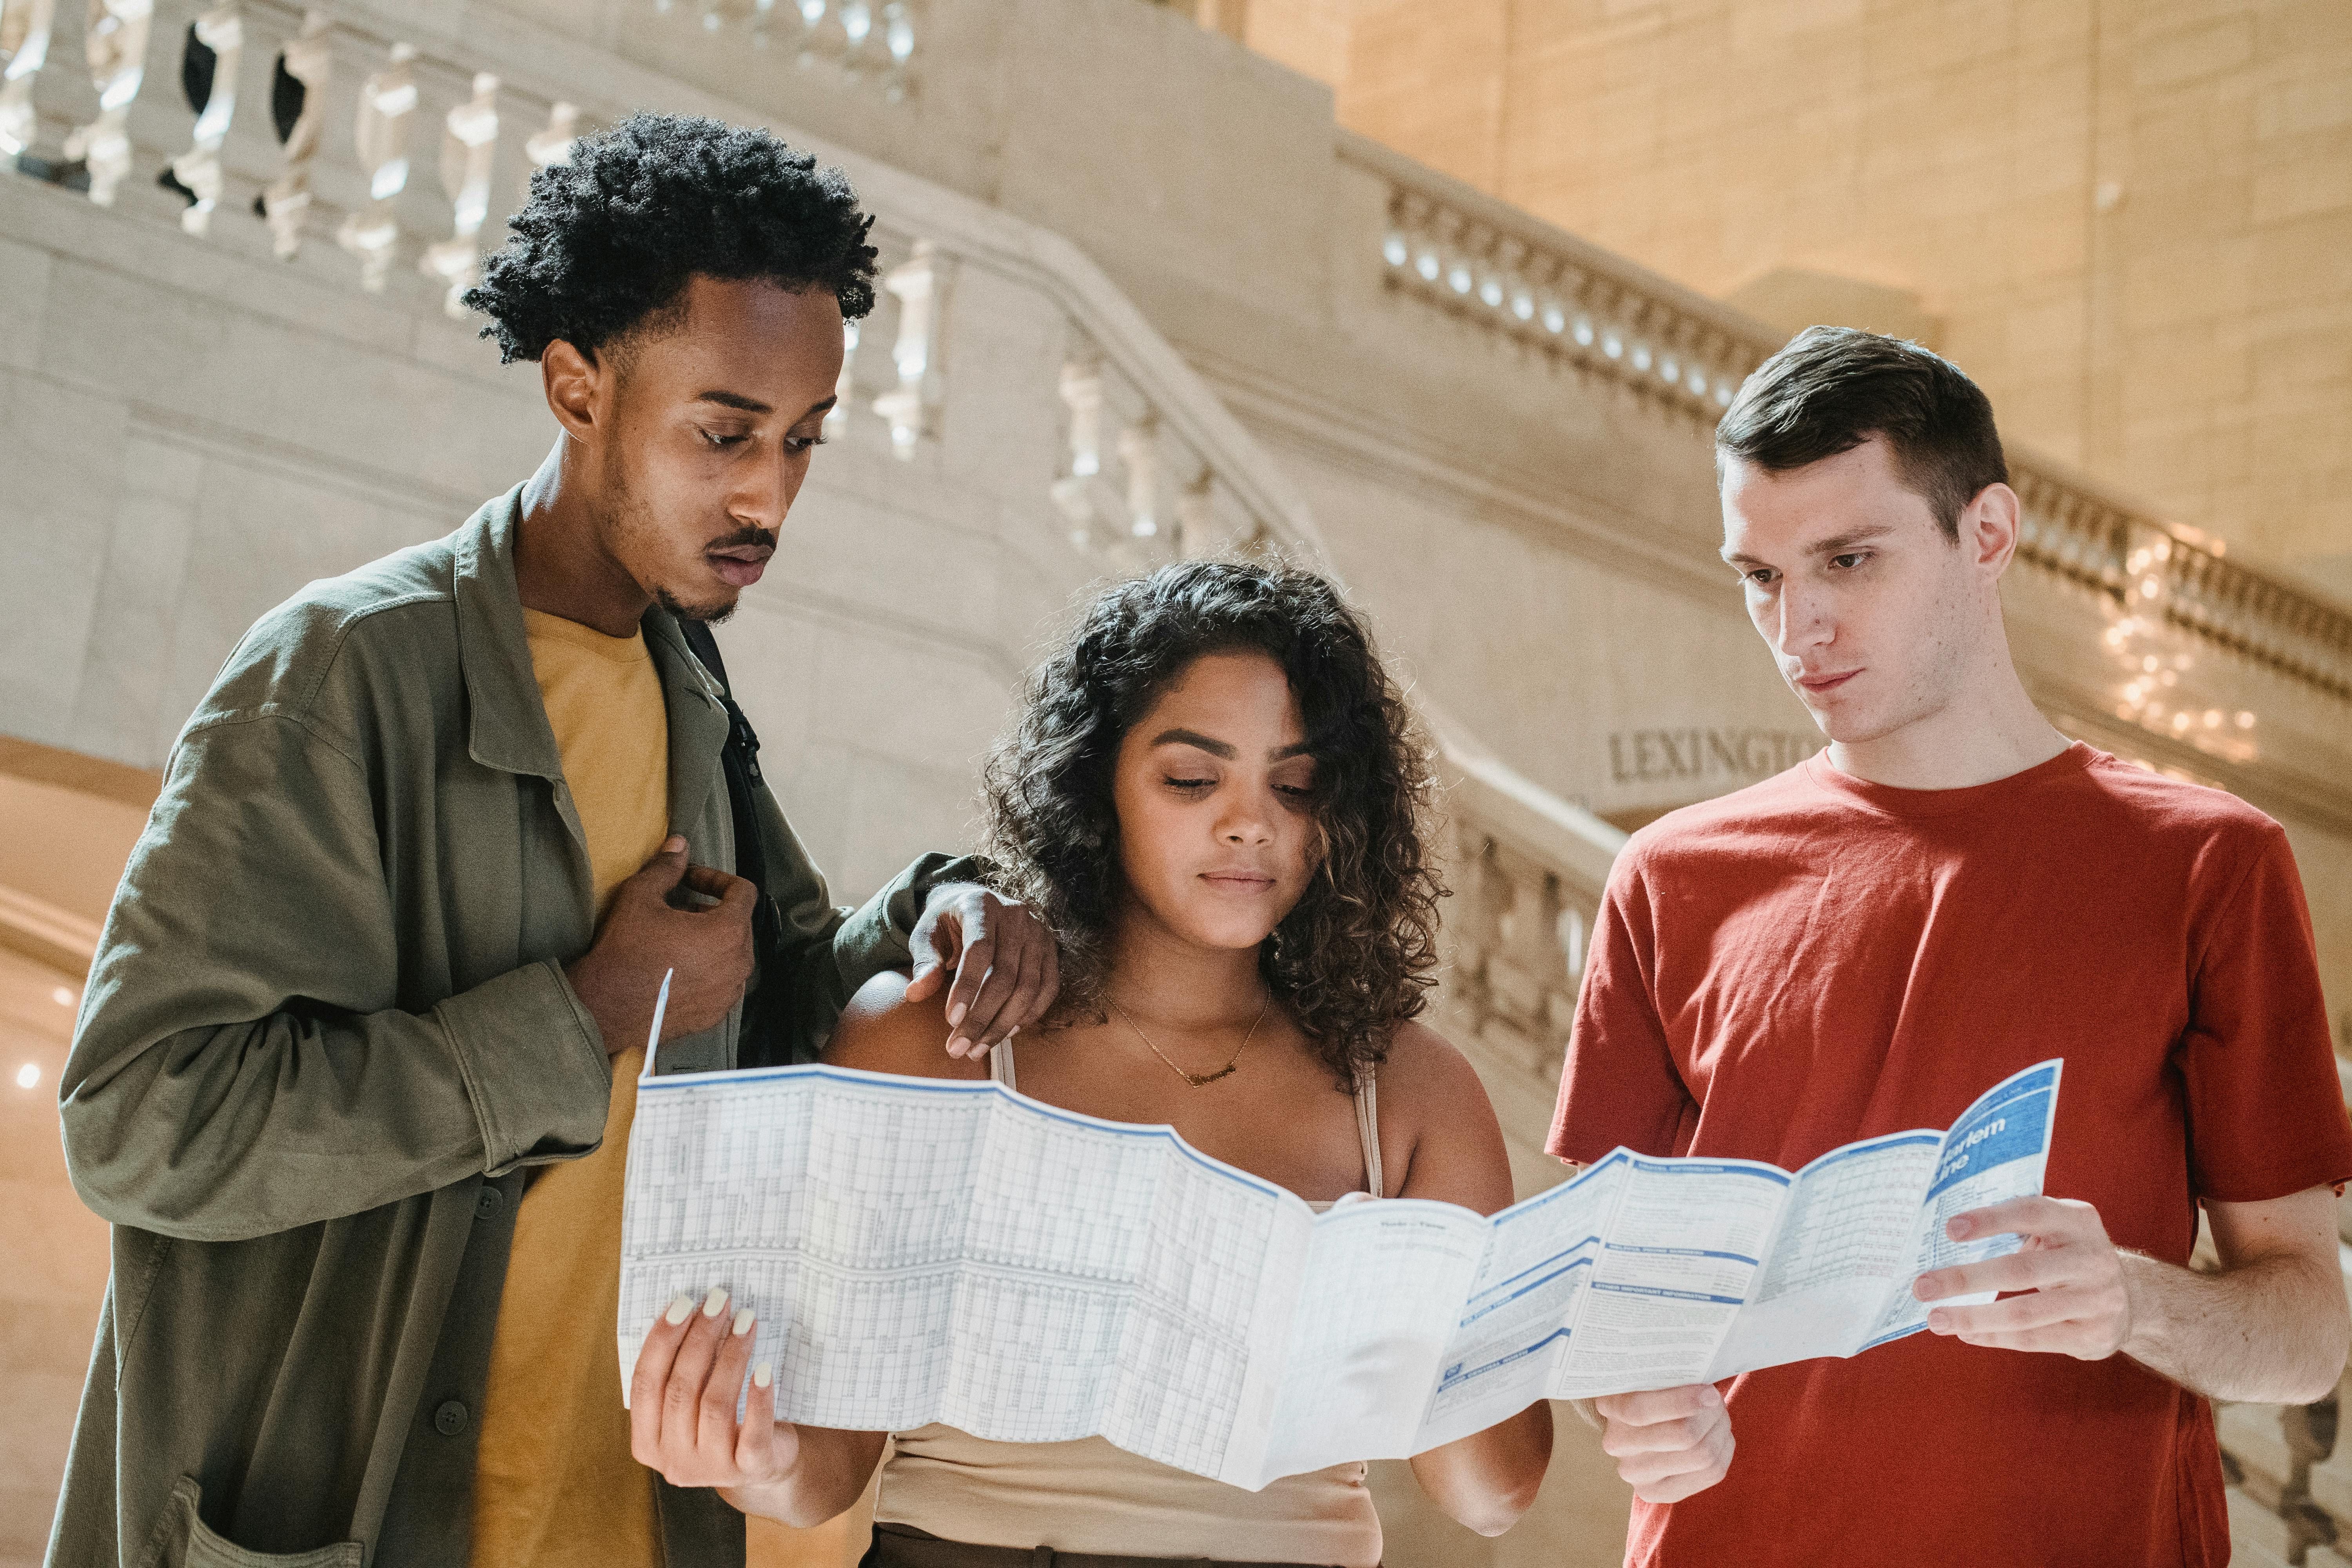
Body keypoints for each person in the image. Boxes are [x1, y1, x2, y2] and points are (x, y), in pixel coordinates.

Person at [48, 114, 1060, 1568]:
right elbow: (144, 1121)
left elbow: (755, 1009)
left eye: (801, 441)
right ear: (578, 387)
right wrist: (580, 1012)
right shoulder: (343, 676)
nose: (770, 495)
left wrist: (938, 913)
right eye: (723, 433)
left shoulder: (687, 686)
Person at [1548, 325, 2352, 1566]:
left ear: (1987, 535)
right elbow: (1604, 1290)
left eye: (1848, 560)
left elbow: (2308, 1328)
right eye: (1759, 575)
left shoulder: (2208, 864)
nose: (1796, 627)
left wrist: (2132, 1297)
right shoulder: (1669, 878)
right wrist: (1630, 1399)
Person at [622, 560, 1556, 1564]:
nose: (1251, 821)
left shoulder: (1412, 1091)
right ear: (1097, 784)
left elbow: (1493, 1493)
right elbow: (826, 1470)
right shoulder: (933, 1040)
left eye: (1296, 785)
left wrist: (1410, 1299)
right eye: (1193, 779)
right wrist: (749, 1451)